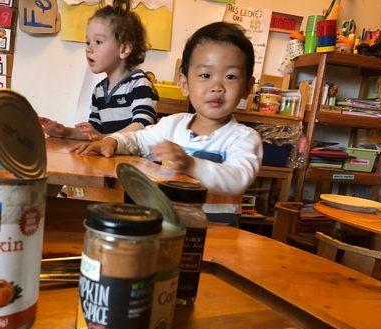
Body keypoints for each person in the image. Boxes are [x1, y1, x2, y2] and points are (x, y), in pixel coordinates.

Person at [72, 22, 263, 224]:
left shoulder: (244, 138)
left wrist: (191, 165)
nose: (217, 87)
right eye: (205, 75)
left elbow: (238, 178)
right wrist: (113, 142)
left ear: (247, 87)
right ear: (184, 83)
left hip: (217, 234)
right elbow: (138, 139)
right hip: (167, 228)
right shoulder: (172, 125)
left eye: (230, 76)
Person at [41, 0, 158, 141]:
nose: (89, 49)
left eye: (98, 42)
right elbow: (94, 133)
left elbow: (143, 125)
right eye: (88, 42)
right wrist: (65, 132)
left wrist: (106, 139)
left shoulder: (139, 84)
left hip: (135, 162)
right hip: (110, 159)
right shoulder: (99, 91)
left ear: (124, 49)